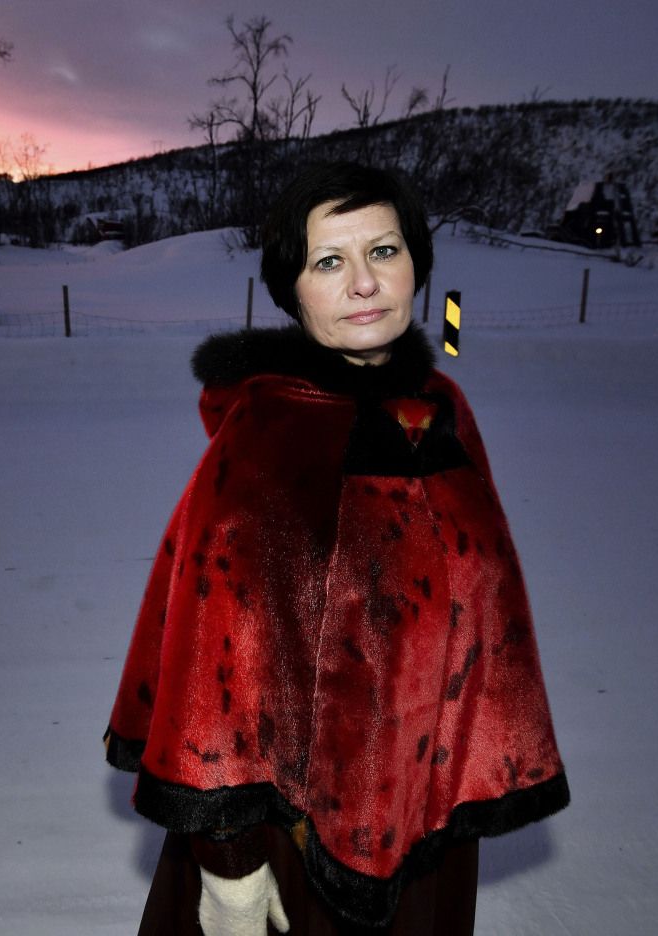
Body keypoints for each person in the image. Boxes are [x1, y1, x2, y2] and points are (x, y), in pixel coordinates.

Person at [104, 162, 569, 935]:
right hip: (293, 838)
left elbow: (485, 615)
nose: (364, 282)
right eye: (329, 261)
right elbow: (216, 675)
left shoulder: (443, 411)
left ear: (417, 264)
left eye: (384, 252)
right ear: (292, 293)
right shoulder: (269, 435)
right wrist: (231, 872)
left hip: (428, 822)